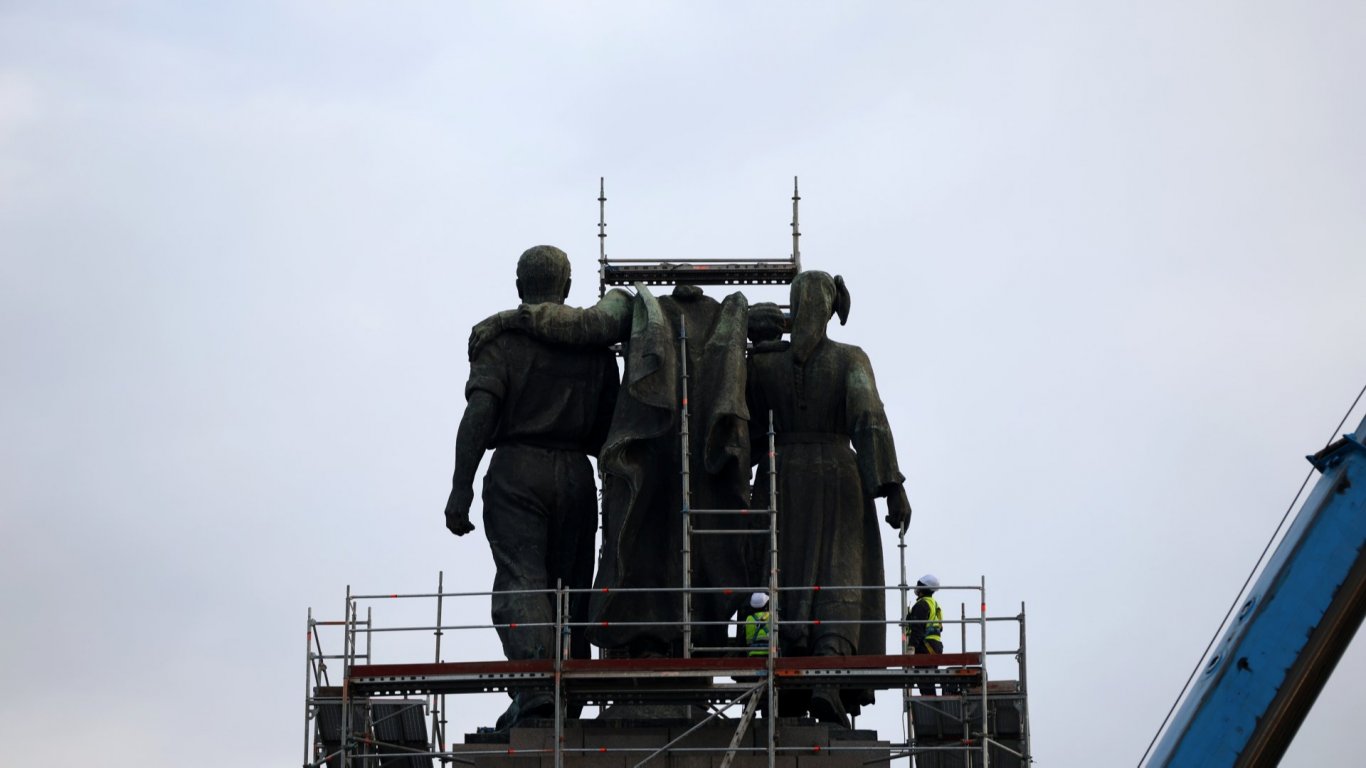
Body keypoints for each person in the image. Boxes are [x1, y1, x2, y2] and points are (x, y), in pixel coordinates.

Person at [443, 245, 620, 728]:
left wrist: (461, 488)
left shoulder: (502, 343)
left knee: (523, 580)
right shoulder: (595, 350)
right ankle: (563, 693)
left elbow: (479, 413)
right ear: (565, 287)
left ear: (520, 288)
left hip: (518, 468)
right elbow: (608, 433)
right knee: (570, 591)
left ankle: (539, 689)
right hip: (578, 477)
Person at [746, 270, 913, 728]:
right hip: (840, 474)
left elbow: (744, 428)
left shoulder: (762, 365)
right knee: (841, 571)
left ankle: (780, 678)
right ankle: (827, 676)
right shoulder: (849, 359)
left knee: (781, 572)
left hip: (780, 477)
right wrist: (892, 486)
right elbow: (869, 419)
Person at [904, 574, 944, 697]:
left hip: (925, 646)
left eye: (919, 586)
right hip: (933, 646)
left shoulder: (922, 605)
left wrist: (911, 647)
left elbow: (918, 628)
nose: (917, 588)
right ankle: (933, 706)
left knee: (925, 681)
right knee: (927, 681)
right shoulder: (933, 604)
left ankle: (932, 709)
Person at [742, 592, 772, 657]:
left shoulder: (748, 619)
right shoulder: (772, 617)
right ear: (766, 604)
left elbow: (743, 640)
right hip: (770, 654)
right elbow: (788, 633)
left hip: (753, 655)